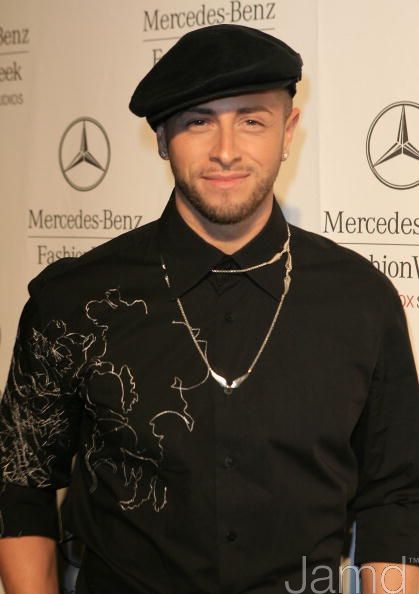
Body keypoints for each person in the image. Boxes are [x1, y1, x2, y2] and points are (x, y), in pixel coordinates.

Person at [0, 23, 418, 594]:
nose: (226, 150)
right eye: (198, 121)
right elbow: (21, 483)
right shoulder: (73, 300)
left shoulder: (362, 301)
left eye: (252, 120)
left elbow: (394, 499)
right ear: (162, 137)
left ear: (288, 130)